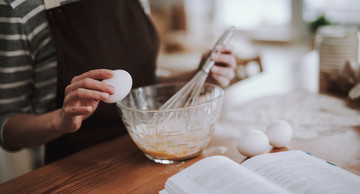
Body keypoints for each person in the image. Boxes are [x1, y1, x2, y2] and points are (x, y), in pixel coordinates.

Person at [0, 0, 236, 164]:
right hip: (76, 174)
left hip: (148, 152)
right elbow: (7, 127)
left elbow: (143, 84)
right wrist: (60, 120)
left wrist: (201, 74)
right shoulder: (19, 7)